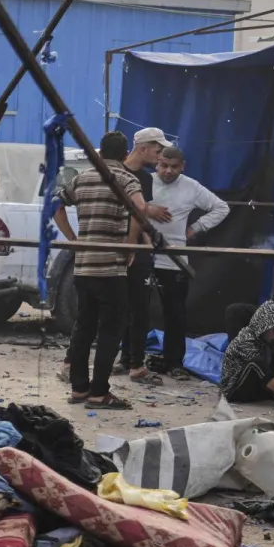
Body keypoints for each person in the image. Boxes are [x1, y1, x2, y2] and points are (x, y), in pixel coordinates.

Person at [54, 130, 168, 409]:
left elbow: (55, 206)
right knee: (110, 330)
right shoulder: (126, 179)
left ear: (100, 153)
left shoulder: (82, 179)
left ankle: (79, 389)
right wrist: (130, 246)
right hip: (110, 269)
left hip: (83, 267)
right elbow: (140, 210)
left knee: (84, 327)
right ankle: (99, 393)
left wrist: (73, 240)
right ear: (125, 151)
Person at [145, 144, 230, 381]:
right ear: (156, 163)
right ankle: (129, 360)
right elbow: (128, 206)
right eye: (164, 165)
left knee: (176, 313)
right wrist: (147, 209)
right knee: (135, 309)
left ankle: (175, 362)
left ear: (182, 167)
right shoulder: (144, 182)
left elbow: (221, 207)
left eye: (174, 167)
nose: (168, 171)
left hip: (174, 259)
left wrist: (195, 228)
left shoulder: (191, 186)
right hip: (142, 253)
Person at [116, 127, 177, 385]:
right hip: (115, 246)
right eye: (157, 149)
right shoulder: (115, 173)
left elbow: (140, 218)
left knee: (139, 308)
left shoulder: (146, 179)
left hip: (137, 250)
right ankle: (121, 358)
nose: (160, 155)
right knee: (115, 308)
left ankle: (135, 362)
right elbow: (138, 211)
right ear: (142, 148)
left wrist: (145, 246)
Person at [220, 300, 274, 408]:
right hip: (235, 391)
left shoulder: (273, 340)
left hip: (259, 389)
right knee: (256, 362)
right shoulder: (245, 339)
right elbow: (257, 365)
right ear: (263, 327)